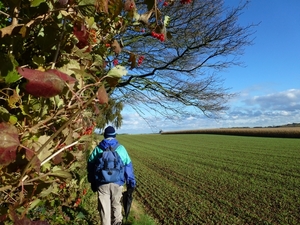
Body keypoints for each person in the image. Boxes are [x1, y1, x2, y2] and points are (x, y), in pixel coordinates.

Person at [87, 126, 136, 225]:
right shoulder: (121, 148)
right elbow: (128, 166)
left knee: (104, 209)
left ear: (104, 135)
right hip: (117, 183)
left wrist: (92, 181)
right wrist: (131, 183)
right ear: (114, 136)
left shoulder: (98, 149)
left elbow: (90, 165)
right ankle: (117, 222)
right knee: (116, 205)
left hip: (102, 183)